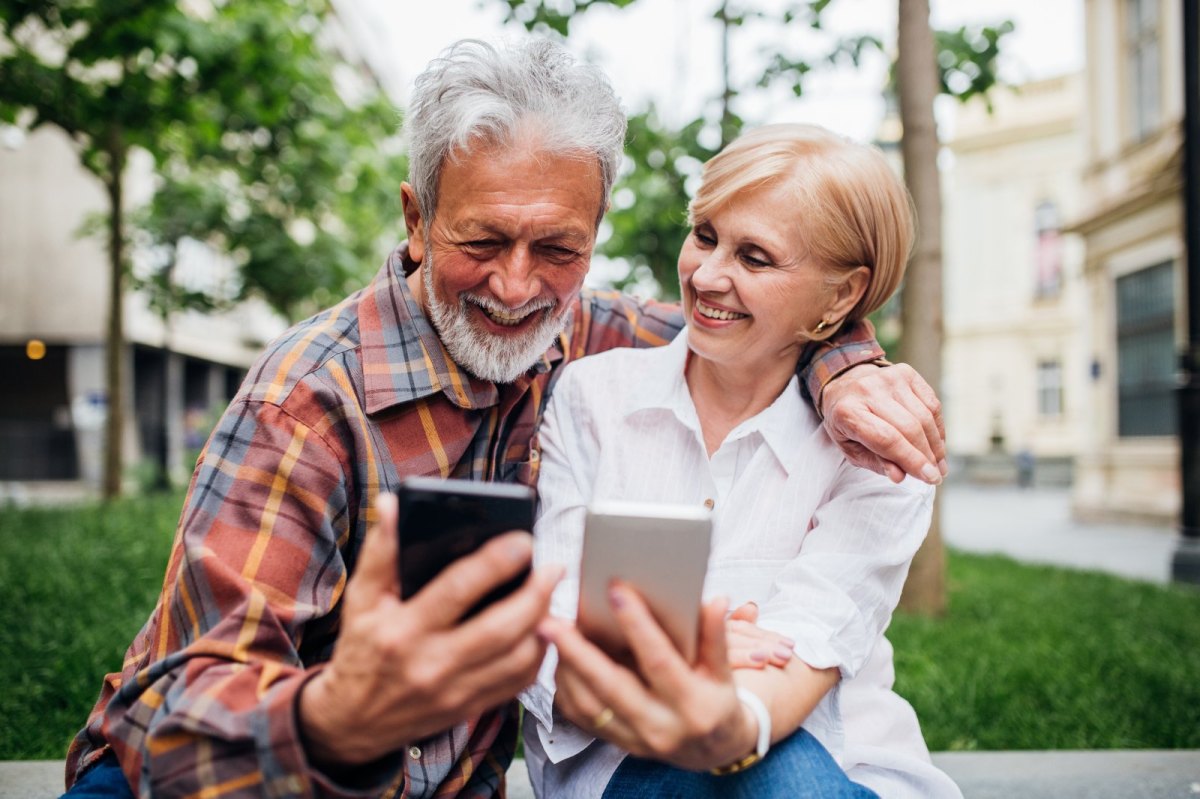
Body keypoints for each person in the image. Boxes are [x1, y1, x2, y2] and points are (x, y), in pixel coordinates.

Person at [64, 40, 946, 798]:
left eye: (558, 249)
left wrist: (847, 370)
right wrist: (340, 715)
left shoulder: (593, 337)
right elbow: (167, 723)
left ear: (594, 236)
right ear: (417, 219)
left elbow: (767, 328)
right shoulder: (306, 403)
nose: (518, 287)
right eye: (481, 242)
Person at [523, 124, 960, 798]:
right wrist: (683, 665)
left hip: (830, 760)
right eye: (705, 234)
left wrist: (658, 665)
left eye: (754, 257)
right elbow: (555, 642)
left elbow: (790, 668)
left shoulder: (882, 447)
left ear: (841, 297)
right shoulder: (593, 397)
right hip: (624, 765)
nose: (706, 274)